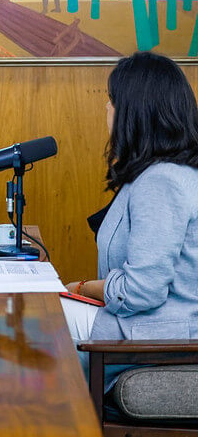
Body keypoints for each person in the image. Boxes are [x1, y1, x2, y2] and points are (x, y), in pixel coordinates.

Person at [61, 52, 198, 386]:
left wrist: (83, 288)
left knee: (32, 319)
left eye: (112, 100)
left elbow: (141, 292)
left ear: (134, 112)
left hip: (157, 337)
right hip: (149, 327)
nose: (106, 109)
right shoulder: (163, 172)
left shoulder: (161, 181)